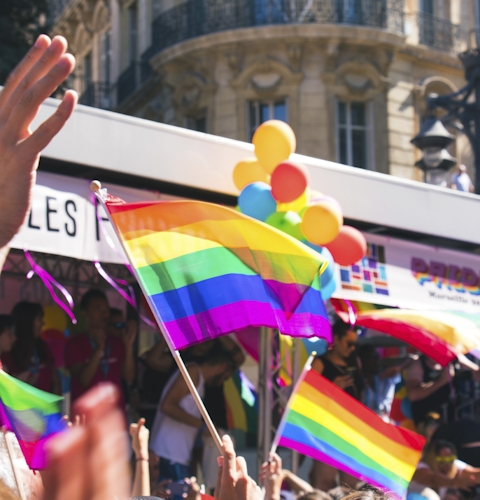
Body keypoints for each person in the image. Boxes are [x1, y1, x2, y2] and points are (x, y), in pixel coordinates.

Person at [150, 349, 236, 482]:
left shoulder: (197, 378)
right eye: (225, 378)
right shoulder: (193, 372)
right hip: (168, 454)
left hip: (176, 456)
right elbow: (167, 406)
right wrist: (202, 426)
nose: (220, 383)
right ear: (222, 367)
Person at [310, 318, 363, 491]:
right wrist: (333, 388)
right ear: (337, 339)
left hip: (351, 429)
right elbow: (307, 397)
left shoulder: (355, 364)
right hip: (328, 430)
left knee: (350, 488)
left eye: (354, 345)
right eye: (349, 343)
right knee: (324, 483)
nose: (352, 349)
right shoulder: (320, 363)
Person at [64, 289, 136, 409]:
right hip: (86, 417)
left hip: (114, 416)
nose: (104, 313)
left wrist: (128, 346)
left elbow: (129, 378)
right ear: (84, 313)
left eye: (106, 308)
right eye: (98, 308)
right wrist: (98, 350)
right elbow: (84, 380)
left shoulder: (116, 342)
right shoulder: (74, 344)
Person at [2, 302, 60, 394]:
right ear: (27, 321)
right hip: (18, 406)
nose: (43, 323)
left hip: (45, 406)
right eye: (39, 319)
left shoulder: (43, 347)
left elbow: (56, 382)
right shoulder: (8, 350)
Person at [408, 439, 480, 500]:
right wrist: (453, 482)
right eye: (442, 460)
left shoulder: (452, 465)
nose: (447, 465)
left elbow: (473, 473)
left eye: (450, 460)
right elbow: (432, 479)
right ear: (431, 458)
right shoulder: (420, 466)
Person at [404, 356, 453, 426]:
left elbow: (474, 371)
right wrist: (440, 381)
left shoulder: (453, 359)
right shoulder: (417, 364)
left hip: (449, 416)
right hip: (427, 421)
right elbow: (412, 395)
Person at [358, 345, 401, 419]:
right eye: (373, 358)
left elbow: (412, 359)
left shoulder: (385, 377)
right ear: (363, 361)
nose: (377, 361)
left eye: (378, 357)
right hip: (363, 421)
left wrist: (399, 367)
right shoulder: (357, 383)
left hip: (383, 421)